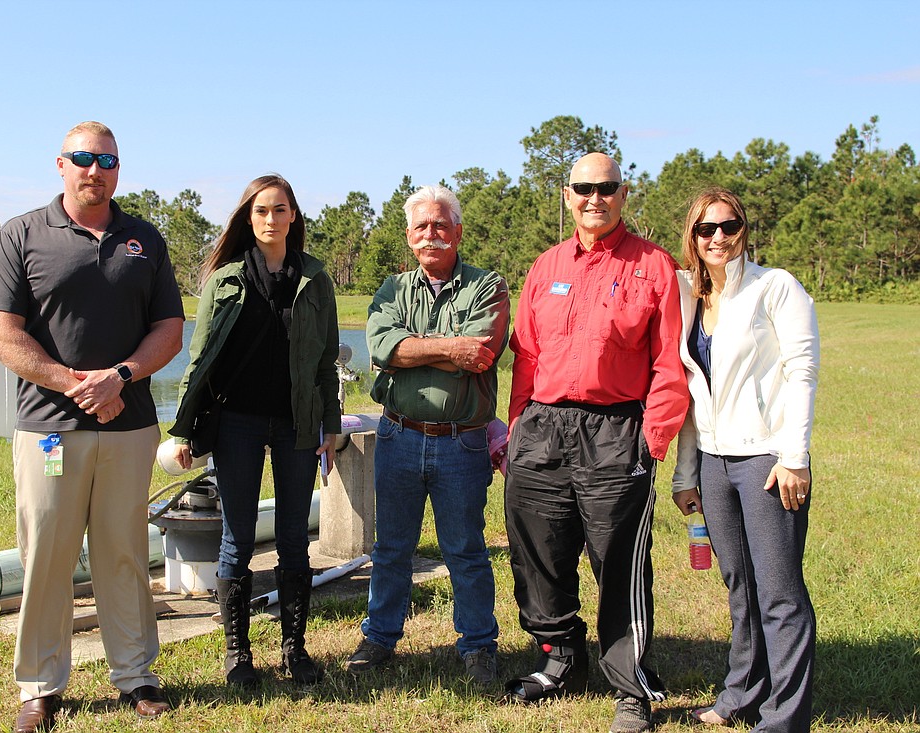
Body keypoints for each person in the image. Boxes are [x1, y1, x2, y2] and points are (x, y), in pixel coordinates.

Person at [0, 121, 183, 732]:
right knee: (48, 550)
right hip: (48, 426)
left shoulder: (144, 239)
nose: (96, 170)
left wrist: (119, 376)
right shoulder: (21, 235)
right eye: (84, 159)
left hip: (130, 424)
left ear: (119, 168)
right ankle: (40, 685)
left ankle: (135, 675)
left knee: (123, 550)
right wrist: (75, 384)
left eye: (108, 160)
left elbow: (169, 331)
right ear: (60, 165)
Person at [504, 153, 688, 733]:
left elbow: (669, 360)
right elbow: (527, 355)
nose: (594, 198)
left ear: (623, 194)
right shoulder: (546, 266)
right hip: (542, 427)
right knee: (538, 549)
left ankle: (631, 687)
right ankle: (560, 655)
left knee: (618, 562)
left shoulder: (654, 266)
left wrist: (651, 440)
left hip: (616, 431)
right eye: (583, 188)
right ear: (567, 195)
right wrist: (517, 429)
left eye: (606, 188)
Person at [167, 174, 340, 688]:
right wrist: (183, 428)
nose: (270, 219)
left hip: (296, 423)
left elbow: (326, 361)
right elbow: (199, 360)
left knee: (292, 538)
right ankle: (238, 653)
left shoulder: (314, 279)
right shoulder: (224, 280)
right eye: (261, 211)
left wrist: (330, 423)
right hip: (235, 424)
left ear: (293, 217)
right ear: (249, 217)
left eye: (279, 210)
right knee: (237, 538)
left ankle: (294, 649)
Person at [344, 184, 510, 685]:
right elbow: (382, 348)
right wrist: (449, 348)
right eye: (422, 226)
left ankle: (478, 645)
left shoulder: (488, 285)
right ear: (410, 237)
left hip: (463, 441)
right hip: (399, 436)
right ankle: (380, 637)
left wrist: (415, 349)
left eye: (441, 224)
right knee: (391, 548)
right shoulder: (390, 291)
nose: (431, 234)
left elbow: (482, 353)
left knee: (465, 548)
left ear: (457, 231)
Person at [671, 188, 819, 731]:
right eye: (706, 229)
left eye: (728, 226)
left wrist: (794, 457)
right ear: (692, 235)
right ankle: (742, 694)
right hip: (714, 462)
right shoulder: (690, 298)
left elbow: (803, 370)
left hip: (766, 460)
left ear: (744, 230)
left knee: (779, 592)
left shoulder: (774, 287)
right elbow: (691, 393)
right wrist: (687, 473)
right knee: (739, 585)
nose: (718, 238)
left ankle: (785, 717)